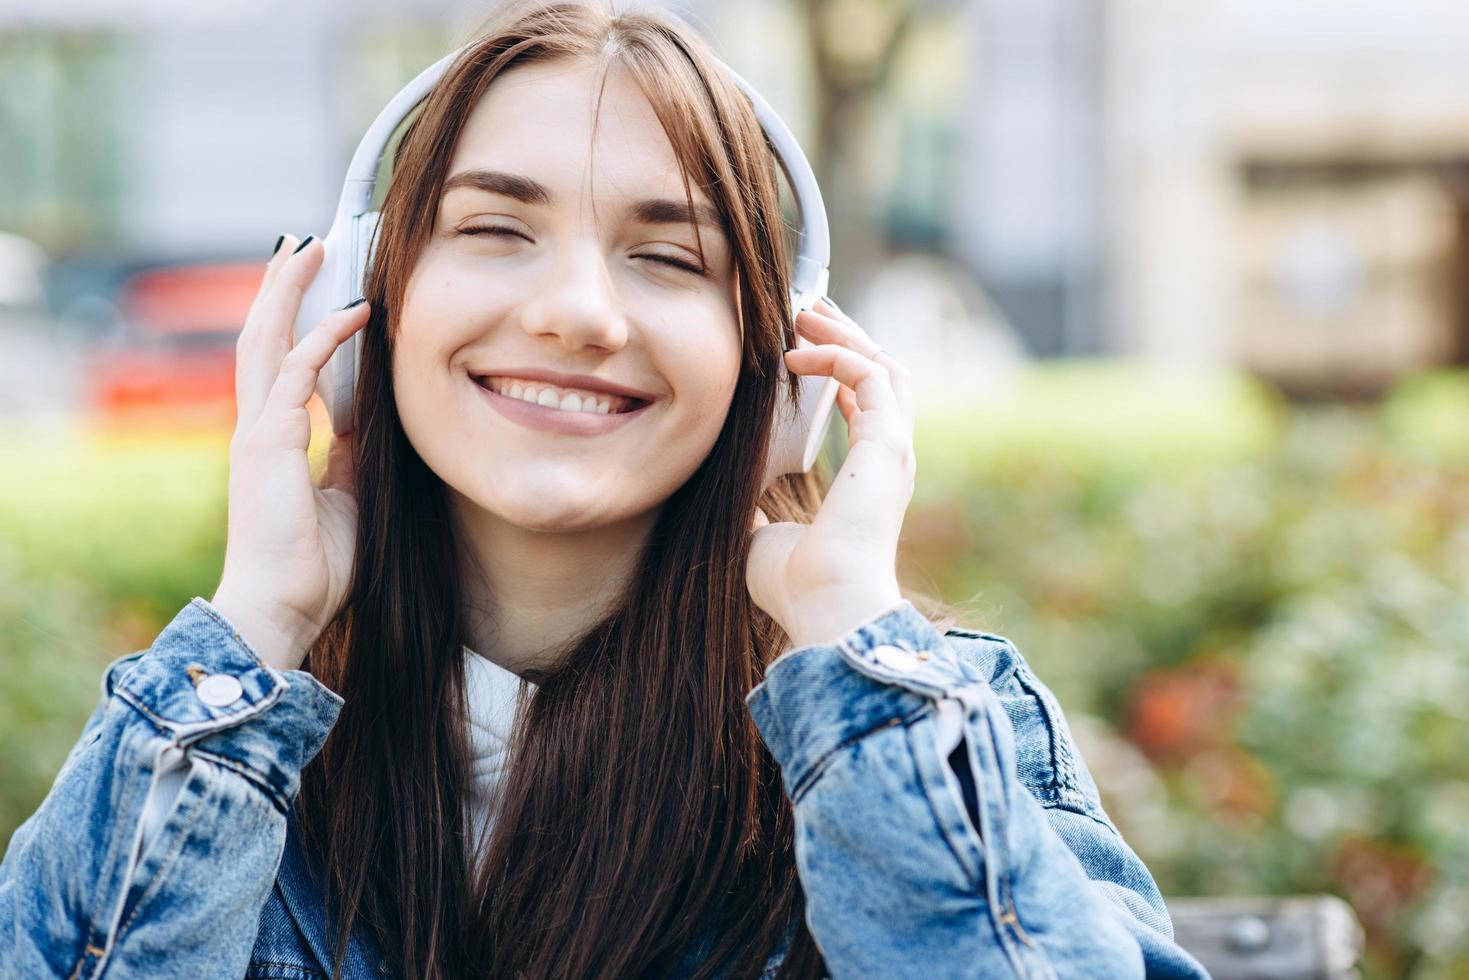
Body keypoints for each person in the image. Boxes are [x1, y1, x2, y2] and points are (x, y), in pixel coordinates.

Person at [0, 2, 1209, 978]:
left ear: (774, 364)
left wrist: (847, 636)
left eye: (667, 255)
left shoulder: (942, 720)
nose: (577, 311)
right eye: (494, 229)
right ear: (364, 307)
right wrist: (254, 628)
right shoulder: (219, 737)